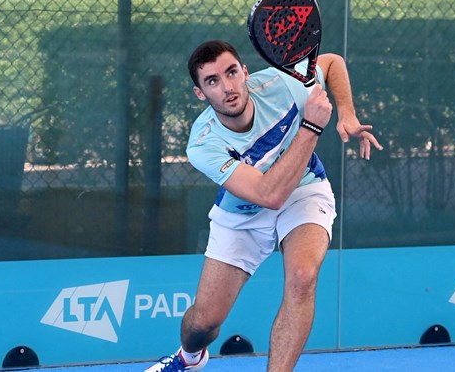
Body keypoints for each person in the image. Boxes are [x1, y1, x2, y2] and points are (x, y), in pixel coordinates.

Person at [146, 40, 382, 372]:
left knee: (302, 277)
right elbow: (268, 195)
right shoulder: (203, 144)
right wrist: (312, 127)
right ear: (200, 93)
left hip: (304, 190)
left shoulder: (281, 83)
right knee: (203, 324)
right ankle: (188, 357)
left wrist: (347, 112)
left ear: (244, 72)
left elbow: (330, 63)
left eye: (231, 72)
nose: (227, 87)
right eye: (212, 81)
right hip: (244, 210)